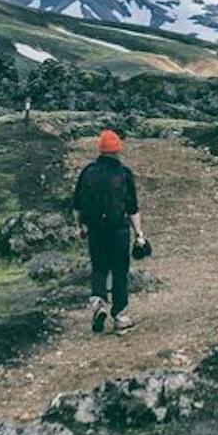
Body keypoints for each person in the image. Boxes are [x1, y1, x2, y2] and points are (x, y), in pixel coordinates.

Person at [73, 129, 145, 334]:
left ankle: (99, 302)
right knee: (120, 271)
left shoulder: (87, 172)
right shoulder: (124, 173)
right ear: (117, 150)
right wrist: (139, 234)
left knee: (99, 268)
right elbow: (132, 208)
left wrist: (80, 227)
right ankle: (120, 316)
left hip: (95, 228)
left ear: (100, 149)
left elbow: (77, 204)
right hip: (118, 229)